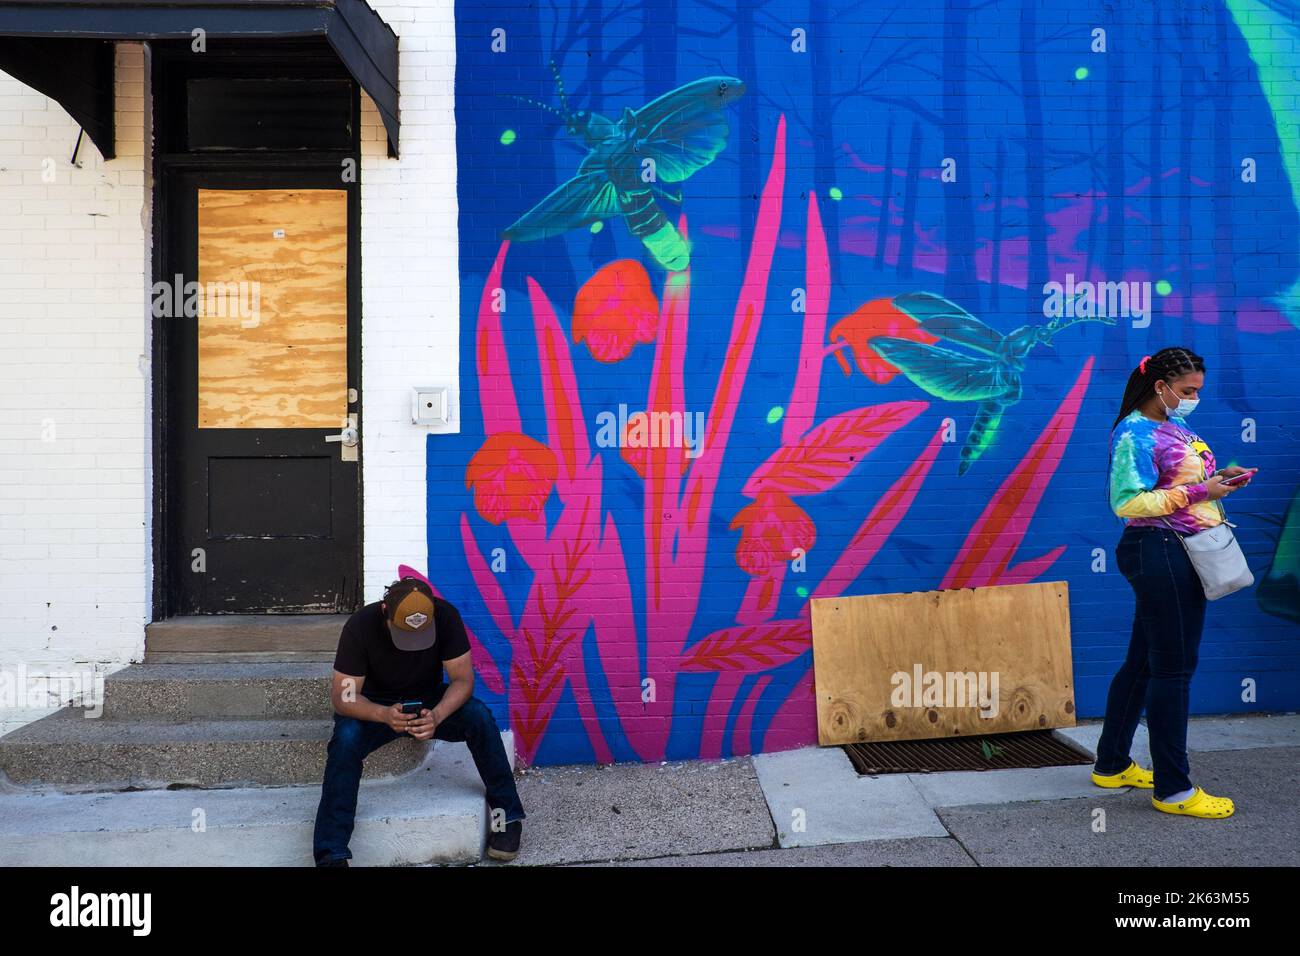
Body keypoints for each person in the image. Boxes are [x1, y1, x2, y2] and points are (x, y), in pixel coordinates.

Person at [1093, 347, 1254, 819]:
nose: (1194, 398)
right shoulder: (1133, 434)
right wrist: (1204, 491)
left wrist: (1221, 479)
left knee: (1144, 662)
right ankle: (1174, 790)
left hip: (1174, 549)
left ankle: (1112, 764)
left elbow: (1180, 486)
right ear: (1159, 387)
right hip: (1161, 551)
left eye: (1197, 391)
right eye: (1187, 391)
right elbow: (1127, 503)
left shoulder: (1171, 428)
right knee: (1173, 669)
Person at [313, 577, 526, 864]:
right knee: (346, 739)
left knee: (479, 716)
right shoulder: (360, 627)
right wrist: (382, 714)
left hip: (428, 702)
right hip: (375, 706)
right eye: (403, 632)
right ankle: (331, 850)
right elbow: (344, 697)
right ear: (385, 610)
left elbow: (463, 680)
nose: (411, 644)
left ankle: (507, 817)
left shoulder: (446, 617)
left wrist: (437, 715)